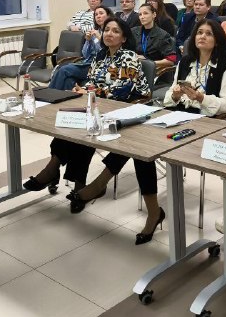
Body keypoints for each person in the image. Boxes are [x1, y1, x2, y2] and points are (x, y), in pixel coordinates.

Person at [24, 17, 152, 223]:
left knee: (87, 131)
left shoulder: (129, 57)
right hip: (99, 105)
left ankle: (66, 178)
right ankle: (62, 174)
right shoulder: (100, 56)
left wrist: (93, 92)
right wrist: (82, 89)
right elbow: (91, 80)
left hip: (126, 107)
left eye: (115, 31)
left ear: (124, 38)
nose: (109, 34)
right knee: (72, 127)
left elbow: (124, 88)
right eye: (107, 30)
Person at [164, 18, 226, 116]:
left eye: (208, 34)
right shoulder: (185, 61)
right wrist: (175, 96)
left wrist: (202, 98)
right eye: (199, 33)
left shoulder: (224, 65)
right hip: (179, 113)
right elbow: (170, 93)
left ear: (217, 41)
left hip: (204, 117)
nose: (202, 36)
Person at [49, 5, 112, 90]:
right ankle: (68, 98)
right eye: (96, 14)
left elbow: (107, 53)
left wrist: (99, 38)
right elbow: (85, 54)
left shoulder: (110, 33)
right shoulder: (94, 31)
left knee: (64, 70)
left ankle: (50, 94)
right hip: (87, 63)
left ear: (108, 16)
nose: (98, 16)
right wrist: (88, 41)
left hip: (99, 66)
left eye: (101, 13)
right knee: (68, 81)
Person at [133, 3, 176, 74]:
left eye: (145, 13)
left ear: (154, 15)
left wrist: (148, 63)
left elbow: (171, 60)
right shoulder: (133, 31)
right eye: (140, 14)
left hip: (153, 71)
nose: (142, 17)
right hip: (134, 68)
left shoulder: (162, 35)